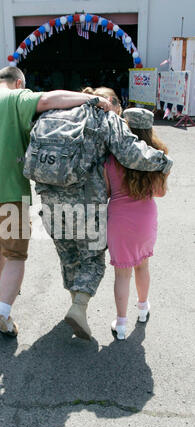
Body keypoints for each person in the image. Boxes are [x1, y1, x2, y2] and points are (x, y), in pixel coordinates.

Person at [0, 66, 111, 338]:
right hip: (7, 193)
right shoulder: (15, 98)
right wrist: (91, 99)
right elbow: (49, 100)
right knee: (15, 255)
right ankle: (2, 314)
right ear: (18, 83)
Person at [35, 88, 173, 341]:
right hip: (86, 203)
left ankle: (75, 302)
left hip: (50, 199)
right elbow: (132, 154)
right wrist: (164, 162)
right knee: (92, 258)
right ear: (110, 103)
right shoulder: (105, 117)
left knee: (68, 255)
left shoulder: (57, 114)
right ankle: (79, 306)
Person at [103, 108, 169, 340]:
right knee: (143, 266)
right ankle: (143, 309)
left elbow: (107, 191)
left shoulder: (111, 156)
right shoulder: (158, 154)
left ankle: (120, 324)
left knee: (122, 275)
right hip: (145, 218)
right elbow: (159, 192)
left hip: (119, 219)